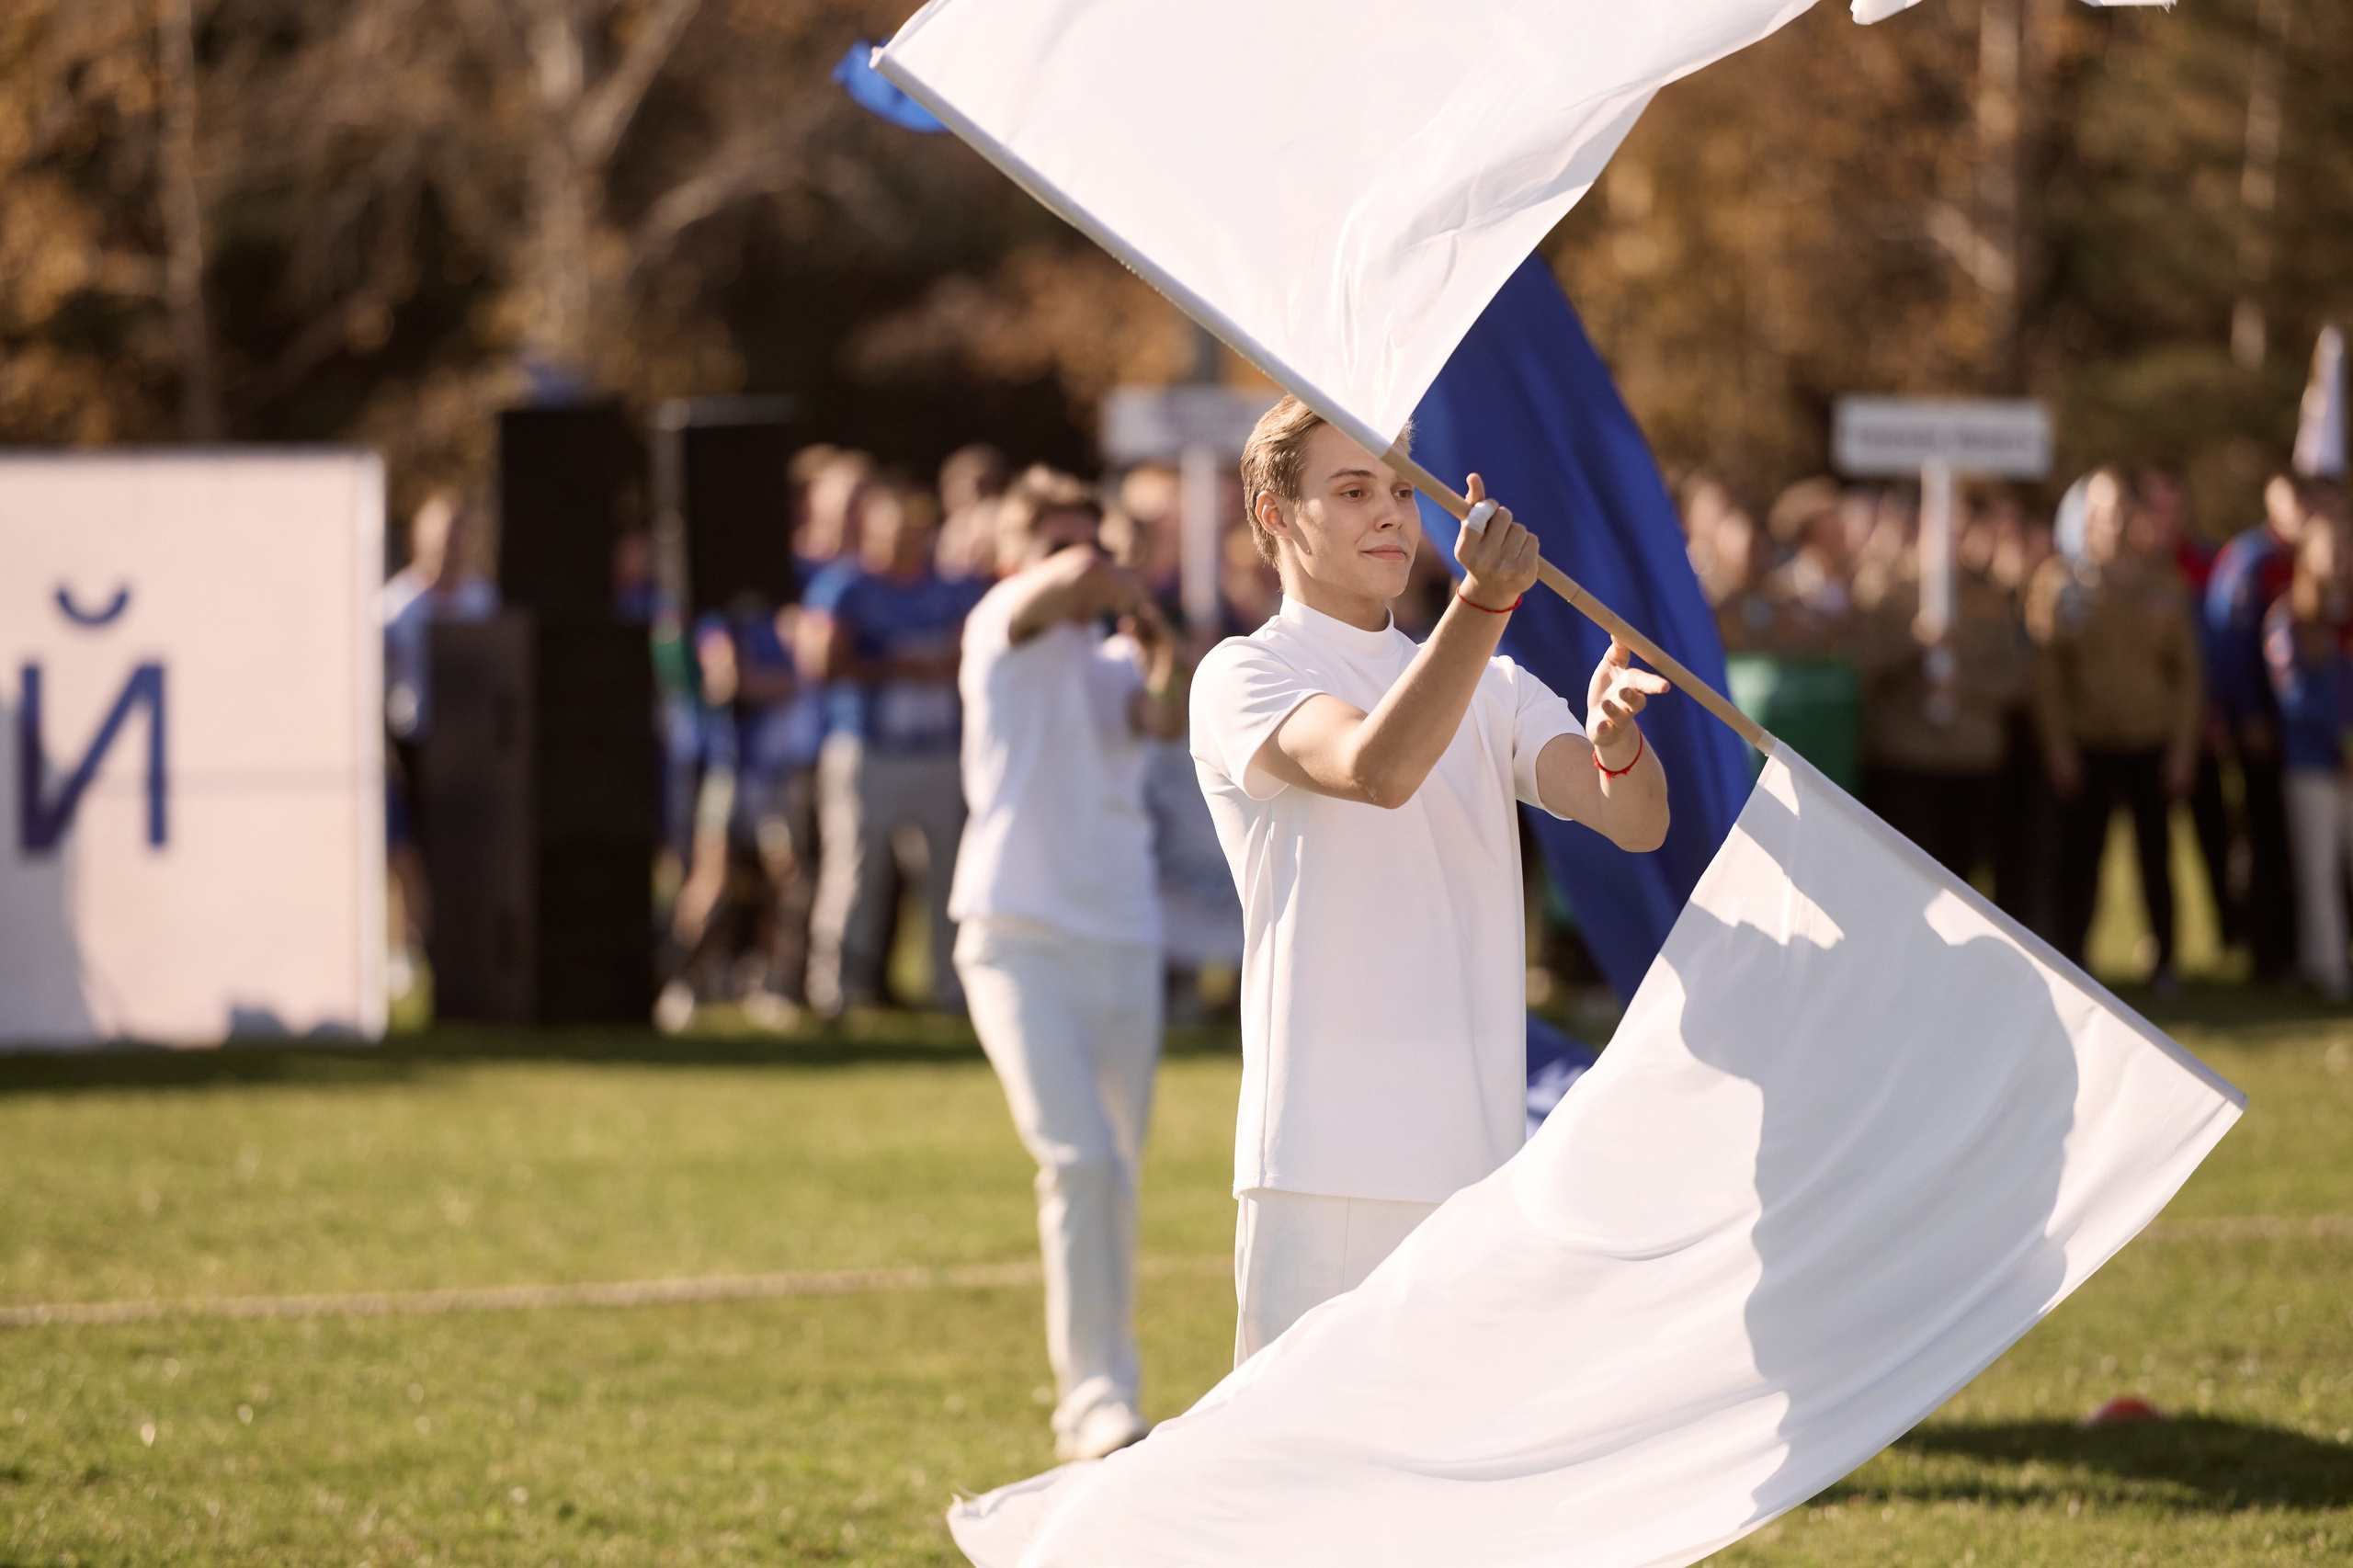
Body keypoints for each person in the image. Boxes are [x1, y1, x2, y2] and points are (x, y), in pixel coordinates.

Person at [1190, 396, 1671, 1362]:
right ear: (1273, 514)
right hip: (1319, 1160)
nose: (1391, 513)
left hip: (1474, 1160)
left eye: (1403, 490)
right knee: (1302, 1482)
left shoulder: (1489, 679)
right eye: (1353, 488)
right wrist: (1482, 604)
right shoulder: (1242, 673)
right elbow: (1378, 768)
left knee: (1459, 1492)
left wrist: (1616, 741)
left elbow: (1634, 817)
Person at [949, 466, 1186, 1461]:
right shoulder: (998, 626)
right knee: (1078, 1157)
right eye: (1054, 545)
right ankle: (1091, 1399)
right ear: (1014, 558)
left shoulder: (1110, 661)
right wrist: (1112, 572)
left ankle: (1108, 1387)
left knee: (1114, 1173)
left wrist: (1160, 646)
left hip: (1123, 935)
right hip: (1015, 936)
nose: (1077, 564)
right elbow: (1079, 572)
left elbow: (1167, 717)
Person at [801, 480, 986, 1015]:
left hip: (937, 750)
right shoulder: (846, 586)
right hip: (868, 747)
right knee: (855, 870)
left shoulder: (949, 588)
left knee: (949, 875)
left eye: (914, 534)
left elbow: (974, 650)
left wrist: (938, 663)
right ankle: (836, 988)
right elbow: (821, 662)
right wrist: (893, 664)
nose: (905, 544)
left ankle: (951, 989)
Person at [2027, 469, 2202, 994]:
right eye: (2102, 512)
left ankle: (2165, 961)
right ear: (2087, 518)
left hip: (2151, 744)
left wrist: (2183, 748)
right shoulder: (2060, 584)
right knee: (2081, 860)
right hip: (2087, 745)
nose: (2113, 522)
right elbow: (2048, 677)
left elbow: (2188, 676)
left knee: (2157, 857)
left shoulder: (2165, 584)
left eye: (2123, 511)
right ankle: (2075, 960)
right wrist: (2057, 745)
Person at [1854, 500, 2031, 882]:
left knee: (1964, 877)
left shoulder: (1989, 595)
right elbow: (1864, 666)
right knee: (1908, 877)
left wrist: (1968, 687)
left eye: (1962, 530)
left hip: (1973, 758)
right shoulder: (1885, 588)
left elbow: (2015, 676)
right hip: (1908, 758)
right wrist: (1913, 640)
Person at [380, 491, 500, 995]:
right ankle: (407, 948)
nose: (451, 543)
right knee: (408, 854)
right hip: (411, 742)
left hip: (471, 746)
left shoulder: (483, 601)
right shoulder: (393, 607)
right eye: (442, 532)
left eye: (459, 531)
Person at [2206, 473, 2317, 980]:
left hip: (2310, 735)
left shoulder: (2319, 559)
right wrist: (2246, 715)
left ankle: (2307, 949)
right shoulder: (2251, 560)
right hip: (2264, 730)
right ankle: (2266, 953)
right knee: (2265, 837)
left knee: (2305, 845)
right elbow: (2227, 644)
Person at [2265, 513, 2353, 997]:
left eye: (2347, 547)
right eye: (2331, 547)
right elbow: (2295, 695)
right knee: (2317, 873)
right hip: (2312, 766)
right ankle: (2328, 972)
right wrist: (2338, 742)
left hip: (2348, 767)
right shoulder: (2288, 618)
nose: (2340, 558)